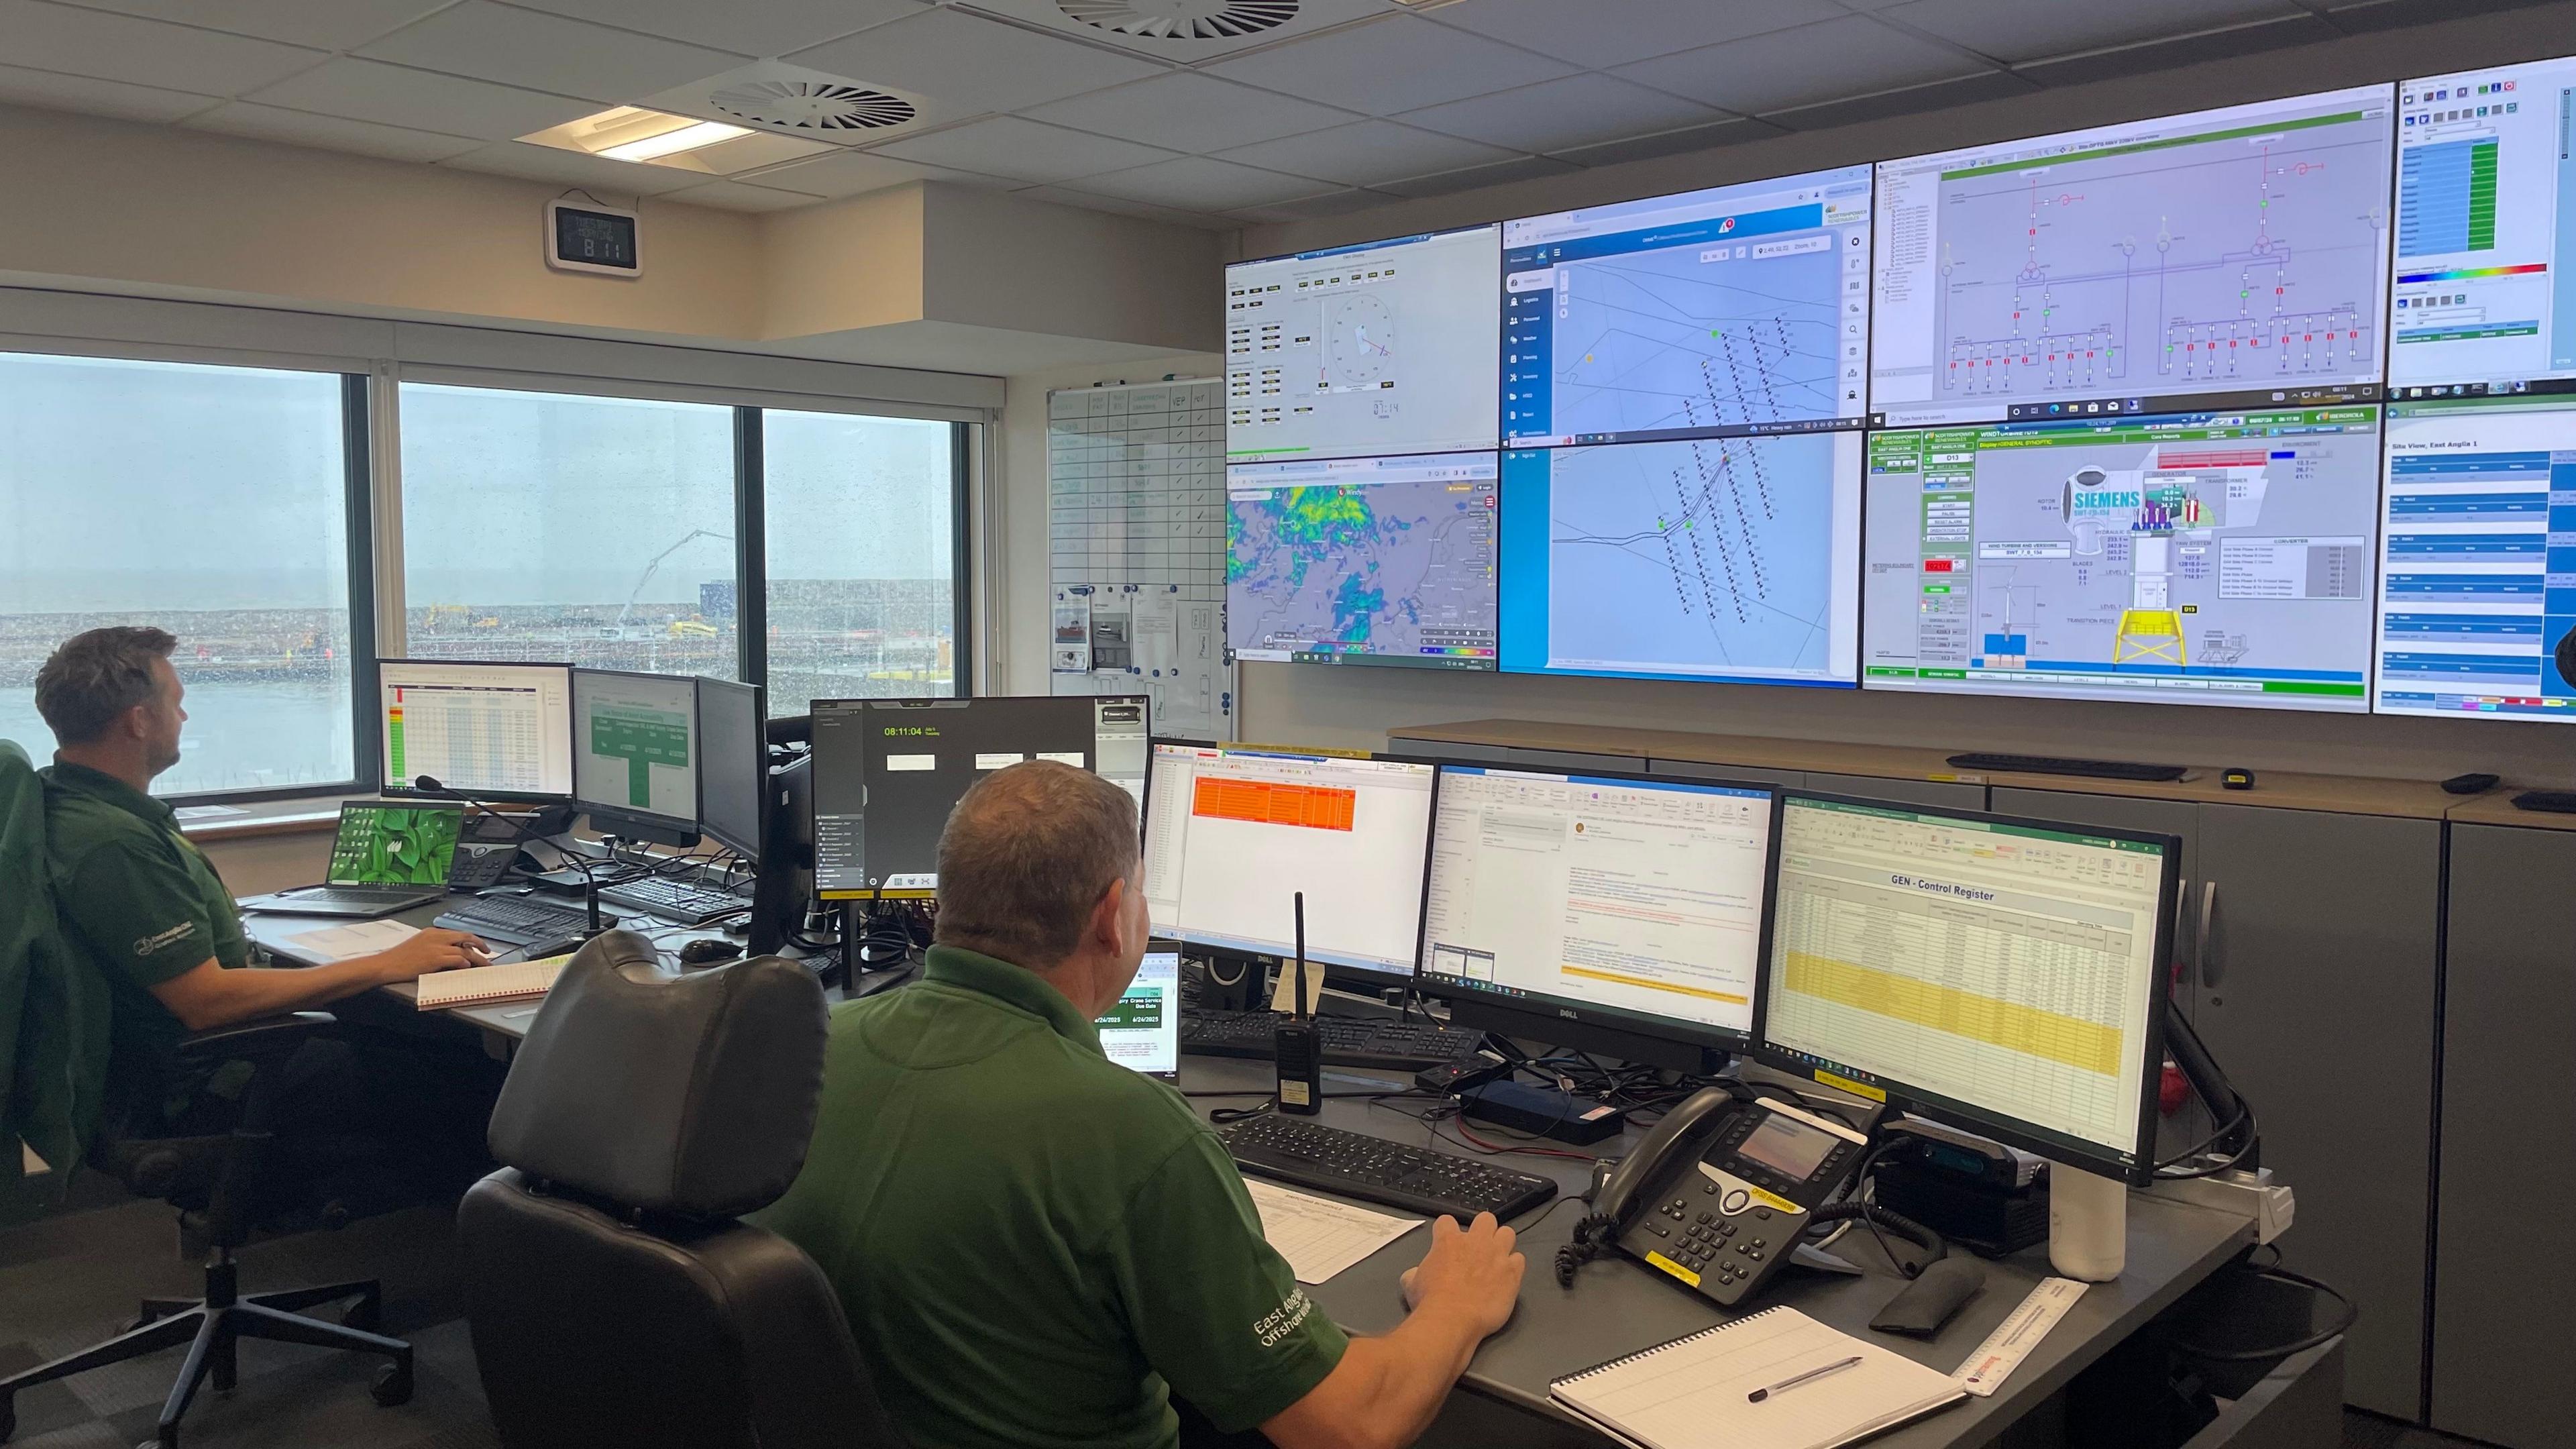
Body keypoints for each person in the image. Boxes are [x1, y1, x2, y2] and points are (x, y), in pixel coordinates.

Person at [762, 759, 1525, 1449]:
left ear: (943, 901)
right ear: (1113, 913)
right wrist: (1453, 1306)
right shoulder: (1134, 1135)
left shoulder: (802, 1050)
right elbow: (1353, 1424)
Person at [34, 626, 498, 1188]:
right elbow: (205, 1001)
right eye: (176, 704)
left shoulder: (71, 803)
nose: (184, 718)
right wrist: (386, 962)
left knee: (409, 1031)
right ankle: (511, 1249)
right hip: (215, 1082)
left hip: (182, 1066)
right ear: (137, 720)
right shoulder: (114, 844)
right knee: (472, 1068)